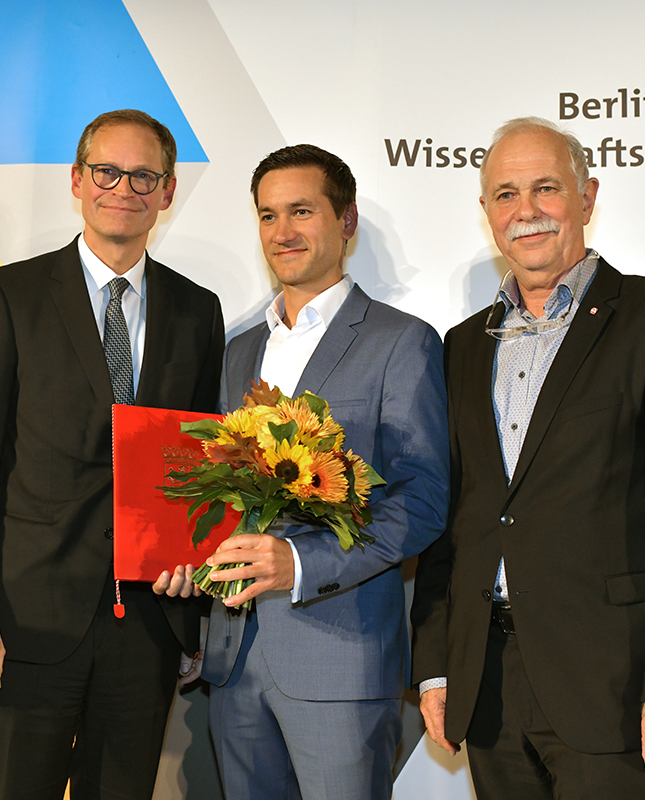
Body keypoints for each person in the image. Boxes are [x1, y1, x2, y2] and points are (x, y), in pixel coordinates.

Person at [409, 117, 645, 799]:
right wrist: (437, 664)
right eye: (505, 195)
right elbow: (453, 516)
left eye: (546, 188)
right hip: (487, 684)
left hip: (615, 685)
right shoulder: (461, 345)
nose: (525, 211)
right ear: (486, 212)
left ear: (586, 198)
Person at [0, 109, 225, 799]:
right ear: (76, 179)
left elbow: (200, 468)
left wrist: (193, 610)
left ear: (167, 191)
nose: (124, 188)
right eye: (107, 171)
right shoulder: (7, 296)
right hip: (23, 626)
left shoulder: (197, 310)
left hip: (147, 628)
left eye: (143, 176)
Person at [164, 144, 449, 800]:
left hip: (340, 659)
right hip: (233, 660)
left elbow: (424, 498)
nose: (282, 231)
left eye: (301, 211)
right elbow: (220, 497)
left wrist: (301, 561)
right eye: (268, 215)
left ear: (346, 221)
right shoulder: (238, 352)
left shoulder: (401, 342)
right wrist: (188, 583)